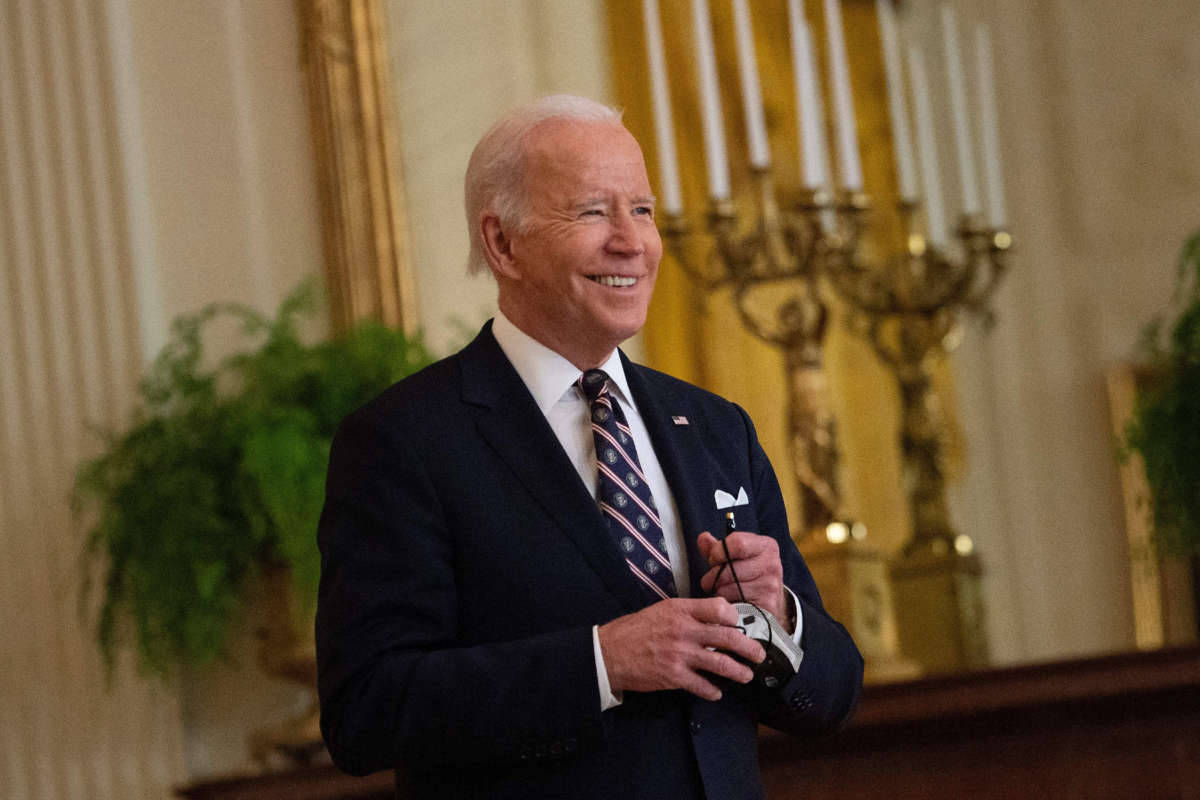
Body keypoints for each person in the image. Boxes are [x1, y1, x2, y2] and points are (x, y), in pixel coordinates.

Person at [315, 94, 863, 800]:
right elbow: (367, 711)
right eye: (592, 212)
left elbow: (836, 693)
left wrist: (778, 616)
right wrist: (600, 664)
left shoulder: (716, 428)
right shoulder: (404, 442)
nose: (632, 241)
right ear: (502, 243)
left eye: (642, 209)